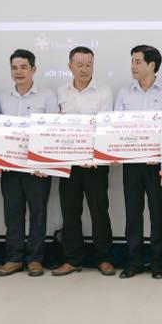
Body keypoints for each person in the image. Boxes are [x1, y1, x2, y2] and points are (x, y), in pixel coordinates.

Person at [115, 44, 162, 279]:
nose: (133, 66)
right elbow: (116, 128)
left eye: (138, 61)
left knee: (158, 213)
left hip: (158, 165)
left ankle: (158, 263)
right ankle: (133, 262)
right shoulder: (124, 93)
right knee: (133, 213)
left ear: (152, 65)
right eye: (132, 61)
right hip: (131, 164)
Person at [0, 49, 59, 278]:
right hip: (10, 166)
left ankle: (35, 259)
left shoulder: (47, 96)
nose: (19, 72)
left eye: (23, 67)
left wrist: (47, 165)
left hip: (38, 169)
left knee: (38, 214)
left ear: (33, 69)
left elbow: (53, 130)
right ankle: (13, 258)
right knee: (12, 213)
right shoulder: (3, 97)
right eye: (14, 67)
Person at [56, 46, 116, 276]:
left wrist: (94, 155)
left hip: (95, 163)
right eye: (79, 65)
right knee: (70, 211)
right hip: (68, 163)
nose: (84, 69)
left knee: (99, 210)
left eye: (89, 65)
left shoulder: (104, 91)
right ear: (70, 66)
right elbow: (54, 127)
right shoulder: (60, 92)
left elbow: (106, 126)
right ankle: (72, 259)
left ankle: (104, 258)